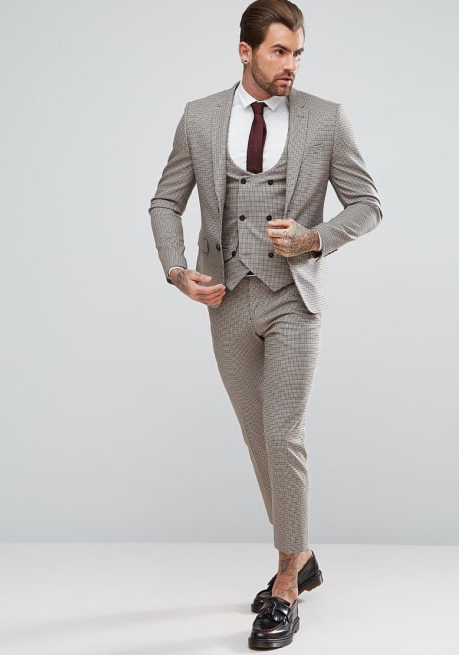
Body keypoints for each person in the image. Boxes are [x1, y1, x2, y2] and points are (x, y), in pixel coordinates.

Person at [149, 0, 381, 649]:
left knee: (283, 434)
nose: (291, 65)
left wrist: (313, 237)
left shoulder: (325, 118)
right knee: (257, 436)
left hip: (291, 300)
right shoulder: (199, 117)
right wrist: (177, 271)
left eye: (298, 52)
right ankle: (302, 556)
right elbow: (165, 200)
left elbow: (367, 204)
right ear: (245, 51)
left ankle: (285, 580)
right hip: (225, 298)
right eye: (280, 51)